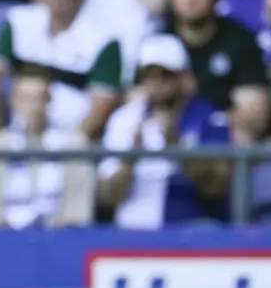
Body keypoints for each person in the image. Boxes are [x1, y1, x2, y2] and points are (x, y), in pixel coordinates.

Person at [97, 34, 232, 228]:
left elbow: (216, 187)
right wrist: (129, 162)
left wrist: (177, 147)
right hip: (132, 232)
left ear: (184, 77)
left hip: (190, 231)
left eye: (165, 74)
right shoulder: (124, 119)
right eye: (148, 75)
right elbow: (107, 197)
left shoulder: (211, 118)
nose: (157, 82)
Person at [0, 0, 123, 141]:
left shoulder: (103, 38)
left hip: (71, 141)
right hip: (17, 137)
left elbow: (103, 103)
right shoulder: (19, 21)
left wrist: (73, 144)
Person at [0, 65, 96, 229]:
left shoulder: (74, 144)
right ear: (12, 101)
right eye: (25, 99)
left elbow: (78, 210)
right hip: (9, 237)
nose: (34, 107)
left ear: (49, 100)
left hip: (62, 236)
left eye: (40, 98)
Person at [166, 0, 271, 143]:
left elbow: (255, 116)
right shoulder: (158, 41)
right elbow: (138, 101)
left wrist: (208, 121)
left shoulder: (240, 41)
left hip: (224, 139)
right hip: (169, 136)